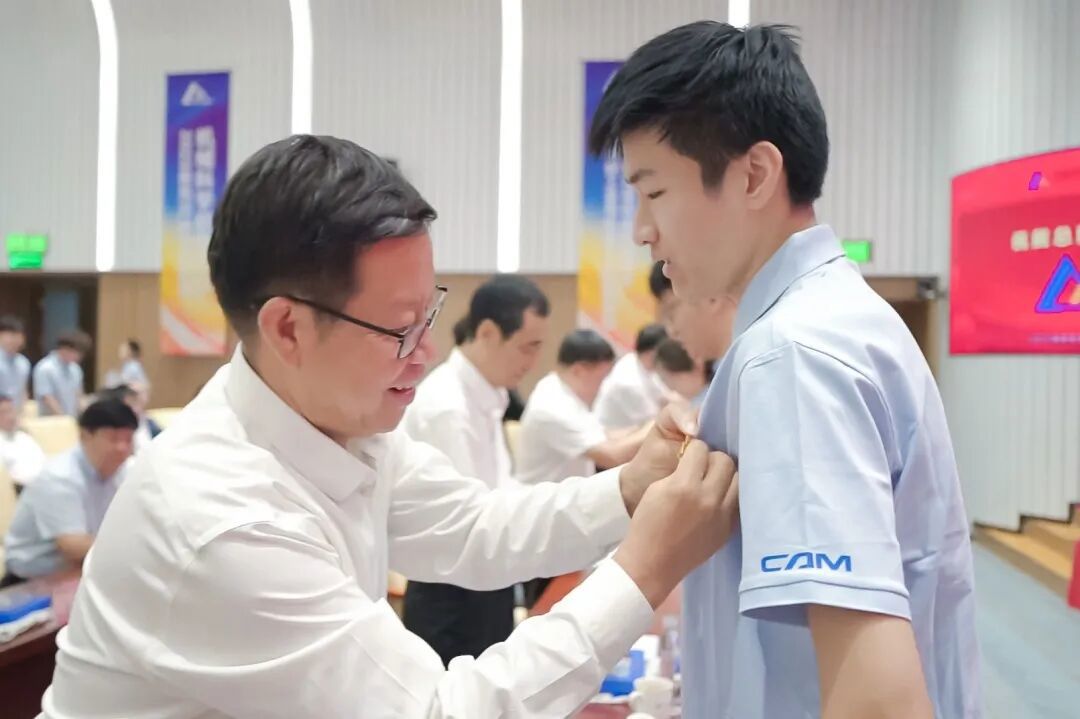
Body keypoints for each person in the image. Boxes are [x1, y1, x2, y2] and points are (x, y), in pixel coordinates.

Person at [39, 135, 739, 718]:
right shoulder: (224, 521)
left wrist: (630, 488)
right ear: (288, 328)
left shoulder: (336, 419)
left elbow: (472, 527)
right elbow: (437, 711)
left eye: (427, 315)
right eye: (400, 329)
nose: (425, 352)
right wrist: (645, 567)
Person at [591, 21, 979, 719]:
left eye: (654, 193)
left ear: (754, 175)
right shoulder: (835, 316)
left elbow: (877, 703)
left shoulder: (792, 353)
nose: (641, 230)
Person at [401, 274, 550, 666]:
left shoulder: (489, 395)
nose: (533, 362)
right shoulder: (447, 406)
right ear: (487, 333)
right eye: (527, 347)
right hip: (452, 594)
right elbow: (472, 521)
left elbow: (501, 488)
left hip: (486, 576)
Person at [1, 398, 136, 588]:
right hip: (31, 579)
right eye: (113, 439)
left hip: (84, 568)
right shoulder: (60, 477)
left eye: (128, 440)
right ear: (84, 436)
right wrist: (135, 548)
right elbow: (73, 546)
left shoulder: (123, 471)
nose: (122, 448)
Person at [516, 329, 651, 485]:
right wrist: (653, 428)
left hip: (565, 493)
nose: (603, 386)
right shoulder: (552, 406)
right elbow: (612, 457)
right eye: (601, 378)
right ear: (579, 370)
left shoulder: (561, 388)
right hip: (543, 498)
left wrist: (640, 429)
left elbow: (601, 434)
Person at [649, 260, 736, 365]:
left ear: (712, 296)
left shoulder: (749, 362)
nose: (672, 332)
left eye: (671, 314)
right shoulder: (731, 364)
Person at [593, 322, 670, 431]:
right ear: (653, 353)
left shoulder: (640, 363)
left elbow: (664, 397)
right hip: (612, 435)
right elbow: (653, 421)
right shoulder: (630, 382)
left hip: (632, 430)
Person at [33, 330, 90, 417]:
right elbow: (47, 398)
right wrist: (64, 418)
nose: (79, 357)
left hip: (71, 418)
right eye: (77, 352)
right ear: (64, 349)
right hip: (50, 420)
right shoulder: (45, 368)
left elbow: (79, 395)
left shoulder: (75, 369)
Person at [0, 394, 46, 491]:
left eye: (11, 410)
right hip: (23, 490)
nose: (11, 416)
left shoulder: (24, 436)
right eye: (4, 412)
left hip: (47, 483)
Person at [100, 384, 162, 452]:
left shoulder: (149, 424)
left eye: (135, 403)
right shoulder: (108, 428)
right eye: (129, 406)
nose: (134, 409)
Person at [652, 339, 709, 404]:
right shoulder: (699, 400)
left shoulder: (708, 402)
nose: (671, 388)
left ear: (698, 365)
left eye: (666, 379)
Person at [0, 315, 31, 412]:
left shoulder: (24, 363)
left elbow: (23, 391)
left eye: (19, 336)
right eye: (11, 335)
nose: (15, 340)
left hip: (15, 414)